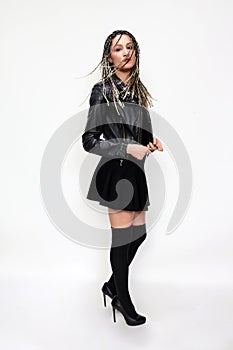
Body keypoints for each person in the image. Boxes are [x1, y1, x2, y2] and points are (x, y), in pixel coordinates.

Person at [82, 30, 163, 326]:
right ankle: (123, 300)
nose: (126, 52)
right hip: (115, 171)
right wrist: (127, 147)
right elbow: (89, 141)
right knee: (121, 240)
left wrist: (151, 143)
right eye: (119, 48)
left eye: (130, 47)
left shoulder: (139, 90)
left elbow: (143, 135)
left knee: (139, 235)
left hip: (136, 172)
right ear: (109, 56)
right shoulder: (101, 90)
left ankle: (112, 285)